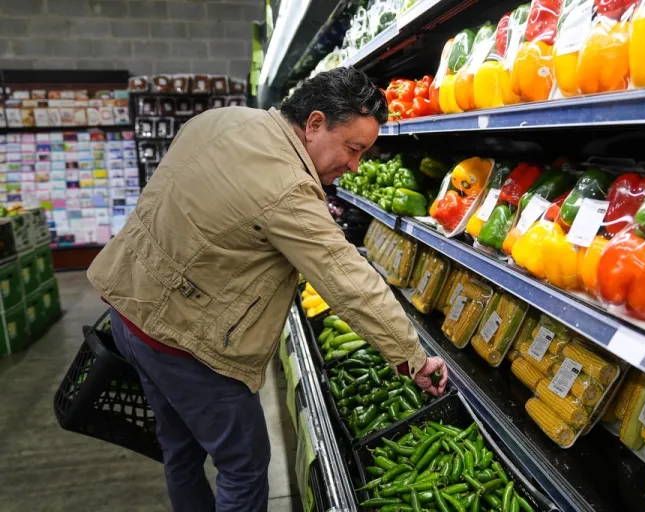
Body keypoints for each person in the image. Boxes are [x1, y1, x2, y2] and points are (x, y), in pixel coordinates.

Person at [87, 67, 449, 512]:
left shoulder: (221, 120)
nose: (355, 165)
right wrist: (412, 356)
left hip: (131, 309)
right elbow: (349, 281)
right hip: (187, 345)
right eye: (353, 149)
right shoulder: (288, 188)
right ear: (315, 124)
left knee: (179, 450)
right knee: (244, 466)